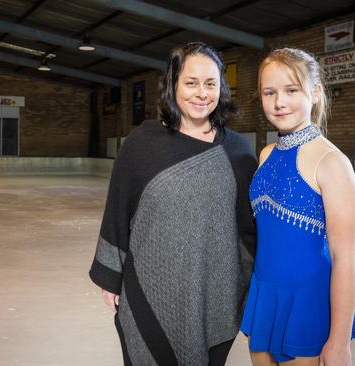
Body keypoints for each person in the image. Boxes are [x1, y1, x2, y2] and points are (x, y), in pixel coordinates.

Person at [88, 42, 257, 366]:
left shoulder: (238, 152)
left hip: (214, 289)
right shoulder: (142, 144)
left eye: (210, 84)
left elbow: (248, 230)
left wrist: (248, 284)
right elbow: (117, 210)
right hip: (153, 283)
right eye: (191, 82)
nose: (201, 93)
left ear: (221, 88)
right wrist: (111, 276)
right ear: (173, 84)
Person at [240, 48, 355, 366]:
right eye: (270, 92)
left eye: (291, 90)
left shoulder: (331, 162)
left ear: (316, 93)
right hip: (266, 294)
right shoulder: (266, 154)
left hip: (306, 303)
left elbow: (344, 259)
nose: (280, 102)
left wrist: (339, 342)